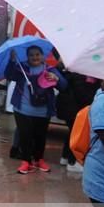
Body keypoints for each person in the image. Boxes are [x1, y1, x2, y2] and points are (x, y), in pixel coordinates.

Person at [5, 46, 67, 174]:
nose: (35, 57)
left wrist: (57, 79)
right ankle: (26, 161)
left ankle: (39, 160)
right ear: (27, 56)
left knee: (40, 136)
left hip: (43, 111)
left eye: (37, 54)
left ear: (42, 55)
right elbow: (9, 75)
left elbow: (64, 86)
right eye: (31, 55)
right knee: (25, 135)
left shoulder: (50, 69)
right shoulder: (21, 68)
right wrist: (11, 61)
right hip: (22, 109)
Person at [56, 71, 100, 173]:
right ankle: (73, 162)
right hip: (73, 109)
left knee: (72, 132)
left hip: (71, 108)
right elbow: (84, 96)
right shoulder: (80, 76)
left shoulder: (79, 74)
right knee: (77, 135)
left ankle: (65, 157)